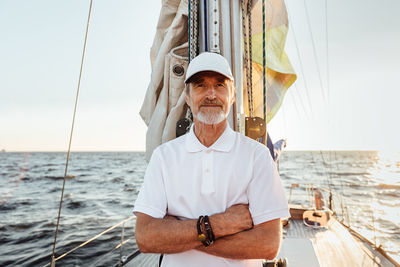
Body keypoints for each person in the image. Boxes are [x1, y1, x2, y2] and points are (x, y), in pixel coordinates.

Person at [133, 52, 290, 267]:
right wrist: (219, 224)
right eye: (200, 85)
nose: (211, 94)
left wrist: (177, 232)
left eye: (220, 85)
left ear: (232, 95)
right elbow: (146, 237)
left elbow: (268, 244)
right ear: (187, 97)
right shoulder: (164, 157)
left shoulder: (257, 156)